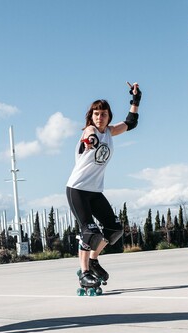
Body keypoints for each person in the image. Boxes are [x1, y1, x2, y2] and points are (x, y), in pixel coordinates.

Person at [66, 82, 141, 295]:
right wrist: (89, 140)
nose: (100, 117)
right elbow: (87, 137)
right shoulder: (91, 131)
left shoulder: (110, 132)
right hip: (77, 189)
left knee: (114, 229)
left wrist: (135, 100)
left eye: (104, 114)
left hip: (95, 192)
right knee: (90, 232)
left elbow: (131, 122)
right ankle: (83, 272)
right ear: (91, 116)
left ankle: (94, 261)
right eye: (96, 114)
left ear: (108, 117)